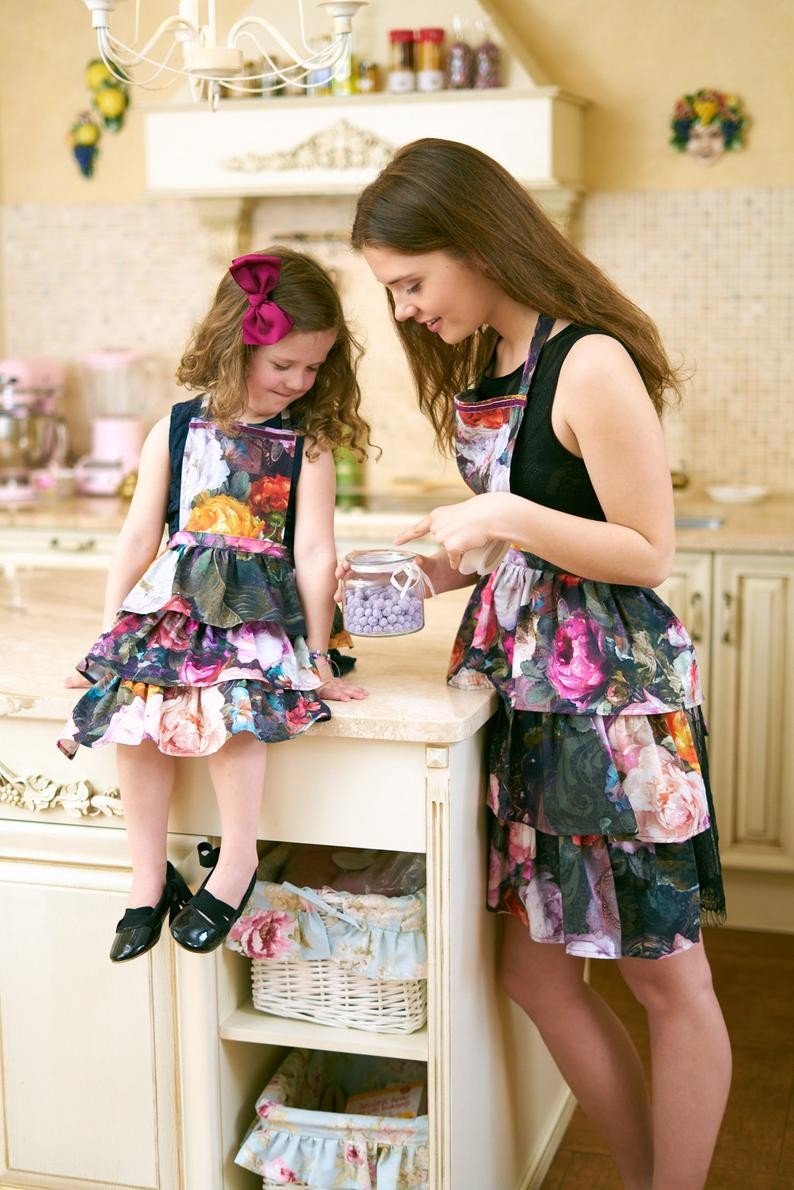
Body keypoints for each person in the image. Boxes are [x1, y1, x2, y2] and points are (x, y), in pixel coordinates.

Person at [350, 139, 731, 1189]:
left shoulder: (589, 359)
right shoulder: (493, 367)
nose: (407, 310)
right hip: (531, 701)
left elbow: (645, 550)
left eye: (411, 282)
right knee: (536, 972)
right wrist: (413, 573)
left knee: (666, 980)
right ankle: (652, 1168)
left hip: (614, 714)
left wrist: (503, 512)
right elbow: (525, 547)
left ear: (473, 240)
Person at [59, 248, 369, 962]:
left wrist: (318, 659)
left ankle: (237, 861)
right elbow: (139, 536)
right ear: (239, 346)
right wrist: (107, 640)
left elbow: (314, 553)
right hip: (173, 607)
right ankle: (145, 879)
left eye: (313, 368)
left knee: (230, 704)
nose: (298, 382)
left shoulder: (306, 442)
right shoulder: (175, 427)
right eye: (282, 365)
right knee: (132, 715)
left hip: (256, 615)